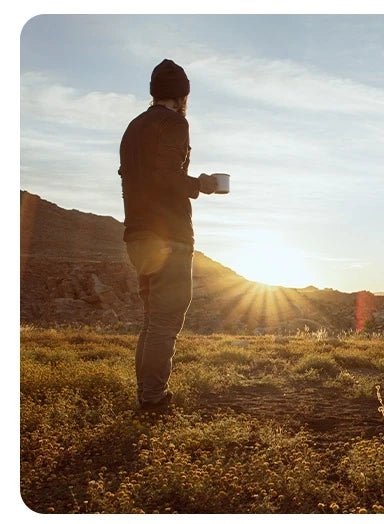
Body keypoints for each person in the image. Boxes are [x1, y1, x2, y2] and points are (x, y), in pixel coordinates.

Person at [118, 59, 218, 410]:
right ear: (182, 95)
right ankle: (154, 401)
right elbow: (165, 176)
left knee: (152, 321)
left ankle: (147, 397)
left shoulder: (134, 127)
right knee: (165, 321)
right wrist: (200, 185)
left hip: (137, 235)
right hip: (169, 236)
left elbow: (140, 177)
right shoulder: (175, 123)